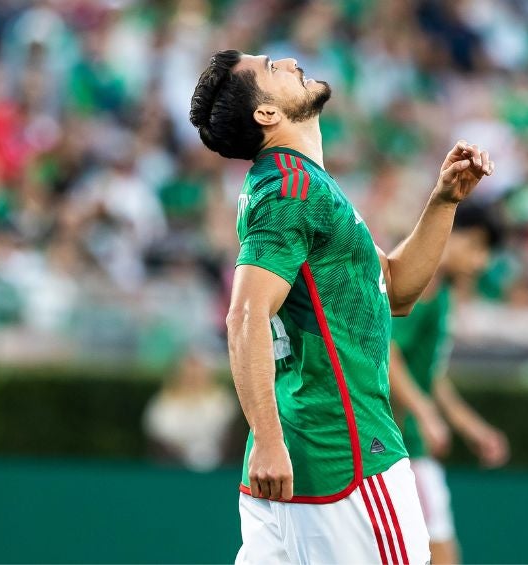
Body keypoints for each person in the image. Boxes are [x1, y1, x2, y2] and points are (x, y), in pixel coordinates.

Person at [189, 50, 495, 564]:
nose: (287, 61)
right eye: (270, 69)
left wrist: (444, 201)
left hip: (304, 457)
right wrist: (266, 439)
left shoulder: (300, 185)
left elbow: (396, 290)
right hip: (347, 457)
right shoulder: (291, 188)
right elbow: (244, 315)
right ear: (267, 114)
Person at [389, 203, 510, 565]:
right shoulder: (420, 284)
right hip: (401, 445)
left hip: (403, 444)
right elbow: (386, 354)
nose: (481, 262)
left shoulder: (439, 291)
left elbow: (430, 376)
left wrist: (471, 427)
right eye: (477, 246)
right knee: (440, 553)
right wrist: (425, 414)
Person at [143, 352, 238, 471]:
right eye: (188, 374)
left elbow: (228, 435)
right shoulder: (162, 403)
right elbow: (159, 436)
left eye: (198, 373)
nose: (193, 378)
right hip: (173, 467)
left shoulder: (224, 401)